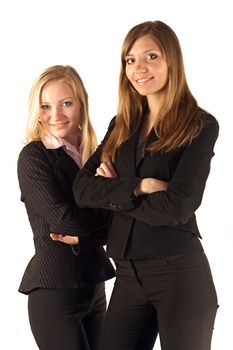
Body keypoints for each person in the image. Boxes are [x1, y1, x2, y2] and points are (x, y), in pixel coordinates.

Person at [72, 21, 219, 350]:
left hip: (179, 275)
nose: (139, 68)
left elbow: (177, 207)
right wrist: (139, 186)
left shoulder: (199, 125)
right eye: (130, 60)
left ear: (172, 61)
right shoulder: (121, 125)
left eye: (150, 56)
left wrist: (115, 192)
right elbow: (82, 190)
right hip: (127, 275)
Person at [17, 65, 115, 350]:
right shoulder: (34, 156)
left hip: (94, 285)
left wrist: (98, 226)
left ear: (81, 105)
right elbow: (64, 220)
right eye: (46, 106)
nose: (56, 115)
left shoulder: (94, 156)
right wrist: (106, 221)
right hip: (55, 289)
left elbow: (118, 216)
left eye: (66, 104)